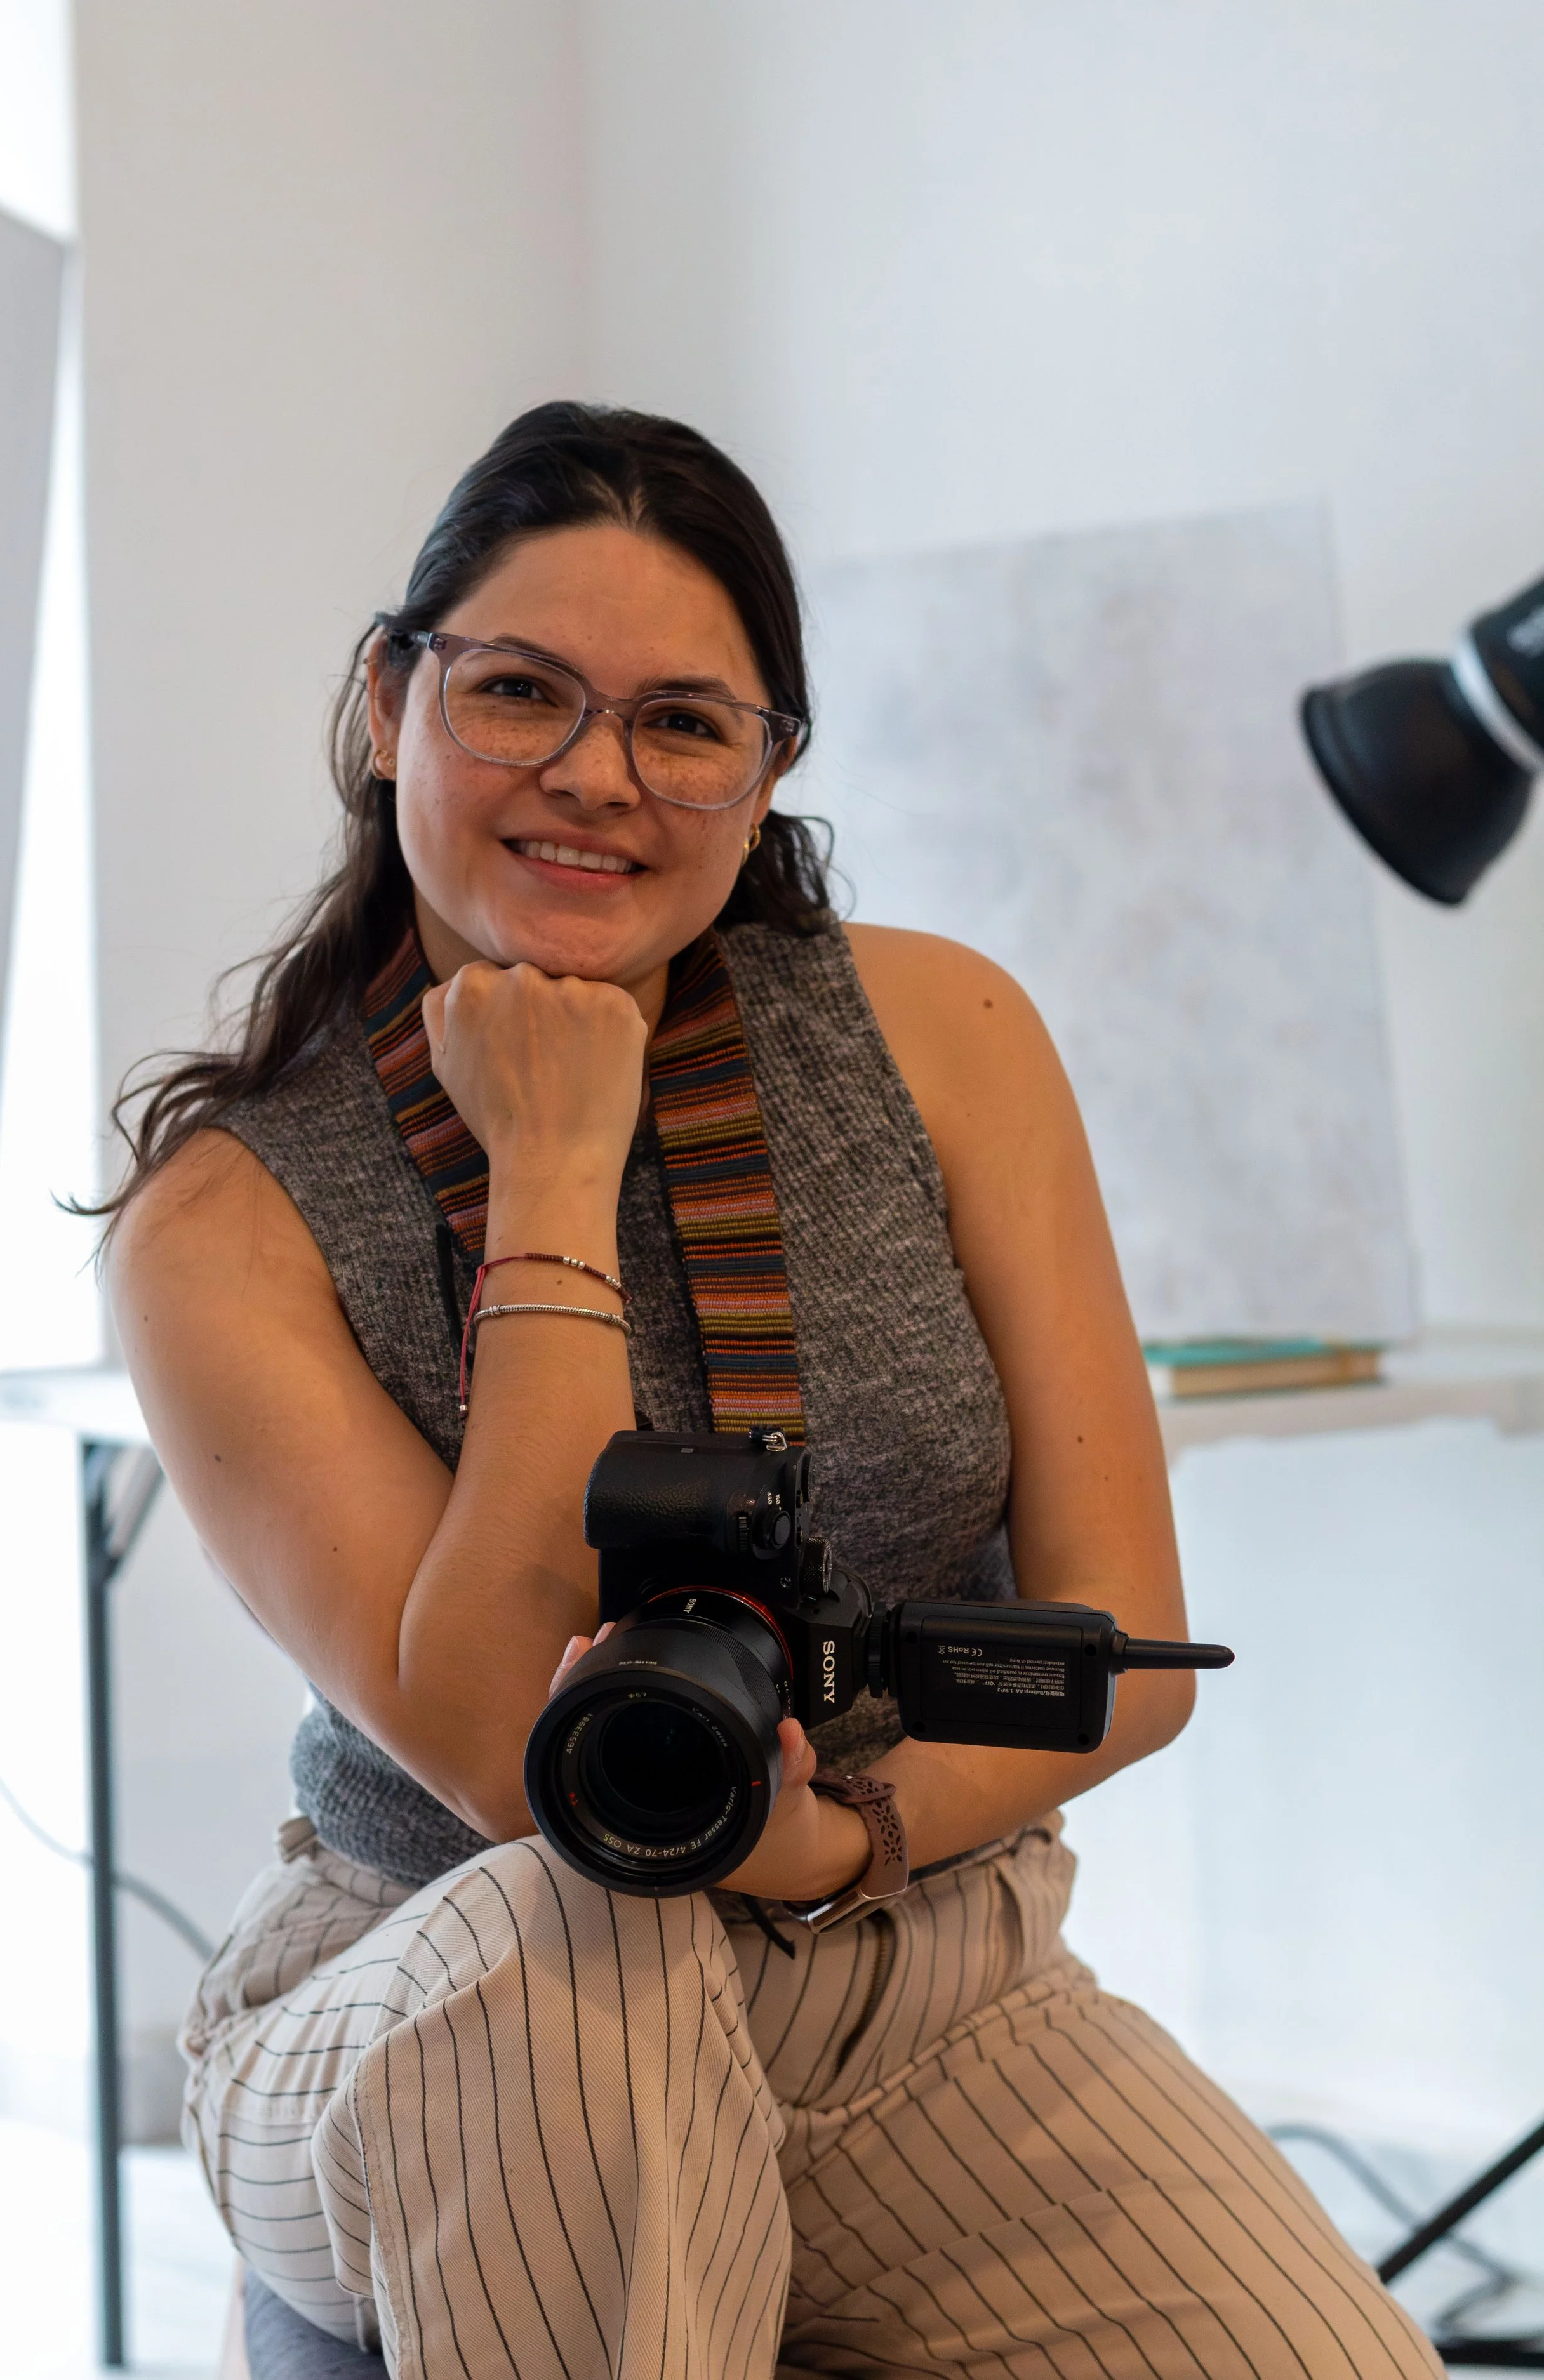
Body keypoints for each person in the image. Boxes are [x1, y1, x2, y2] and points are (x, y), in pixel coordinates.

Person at [107, 403, 1438, 2380]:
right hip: (437, 1999)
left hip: (912, 1990)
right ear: (390, 700)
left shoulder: (946, 1035)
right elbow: (501, 1755)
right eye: (518, 691)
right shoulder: (226, 1217)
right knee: (581, 1935)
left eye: (682, 721)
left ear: (765, 768)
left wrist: (849, 1845)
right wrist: (551, 1177)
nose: (593, 777)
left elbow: (1120, 1649)